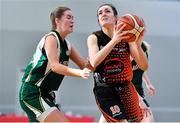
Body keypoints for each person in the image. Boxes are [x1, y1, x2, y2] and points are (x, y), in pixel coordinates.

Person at [19, 6, 91, 122]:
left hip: (46, 94)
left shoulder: (67, 44)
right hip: (32, 92)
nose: (72, 20)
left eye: (73, 18)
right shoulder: (51, 38)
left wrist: (106, 50)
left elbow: (84, 64)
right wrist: (80, 73)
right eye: (68, 17)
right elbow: (54, 66)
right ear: (57, 21)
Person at [87, 3, 149, 122]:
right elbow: (94, 62)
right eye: (100, 13)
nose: (103, 14)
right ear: (99, 21)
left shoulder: (127, 38)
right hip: (105, 90)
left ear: (116, 18)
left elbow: (143, 66)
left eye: (107, 11)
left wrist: (137, 44)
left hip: (126, 89)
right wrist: (114, 40)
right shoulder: (94, 37)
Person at [131, 41, 155, 122]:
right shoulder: (125, 49)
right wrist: (140, 100)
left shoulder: (144, 46)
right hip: (124, 93)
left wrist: (148, 83)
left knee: (149, 119)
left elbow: (141, 68)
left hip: (137, 92)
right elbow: (125, 82)